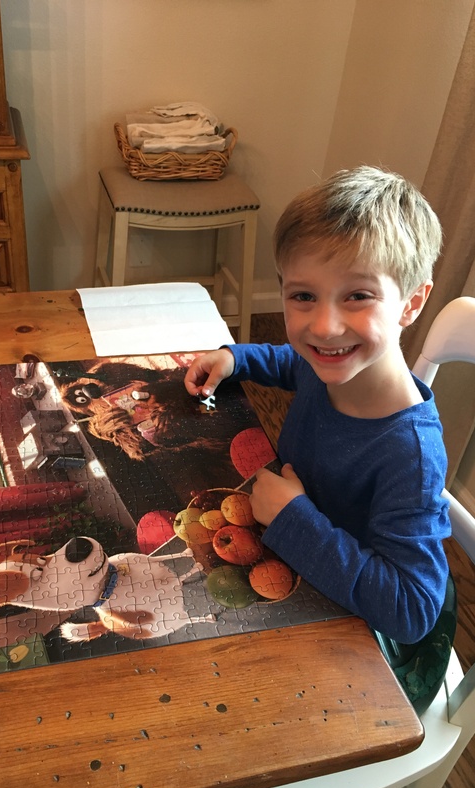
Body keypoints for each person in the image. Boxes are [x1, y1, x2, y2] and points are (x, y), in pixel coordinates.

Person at [184, 165, 451, 646]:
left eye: (358, 296)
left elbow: (412, 611)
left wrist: (294, 518)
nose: (325, 328)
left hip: (359, 630)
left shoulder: (410, 454)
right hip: (294, 565)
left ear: (412, 303)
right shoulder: (327, 362)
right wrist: (235, 358)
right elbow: (292, 362)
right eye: (304, 296)